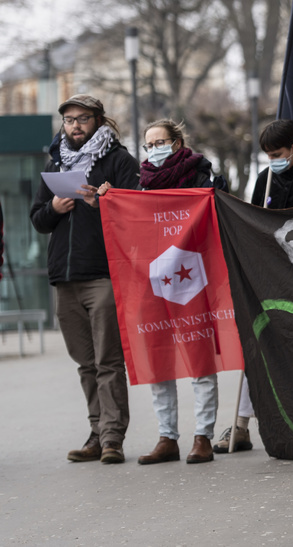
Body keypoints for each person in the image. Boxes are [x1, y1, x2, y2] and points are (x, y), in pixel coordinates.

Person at [212, 118, 293, 454]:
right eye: (267, 155)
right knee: (259, 345)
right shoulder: (266, 180)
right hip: (270, 276)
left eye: (278, 153)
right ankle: (240, 425)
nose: (273, 160)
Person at [29, 94, 140, 464]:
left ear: (98, 121)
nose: (75, 126)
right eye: (69, 120)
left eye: (83, 119)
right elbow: (37, 220)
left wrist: (103, 204)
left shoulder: (119, 160)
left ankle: (112, 438)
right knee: (85, 363)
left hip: (103, 274)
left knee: (108, 361)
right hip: (64, 276)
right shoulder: (55, 163)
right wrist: (54, 208)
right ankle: (96, 432)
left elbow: (135, 212)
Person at [134, 119, 223, 465]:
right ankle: (167, 437)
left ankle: (203, 436)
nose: (154, 149)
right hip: (153, 280)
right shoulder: (140, 185)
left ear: (177, 142)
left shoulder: (201, 176)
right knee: (159, 359)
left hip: (192, 278)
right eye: (149, 144)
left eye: (160, 142)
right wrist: (110, 200)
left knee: (200, 360)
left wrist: (217, 191)